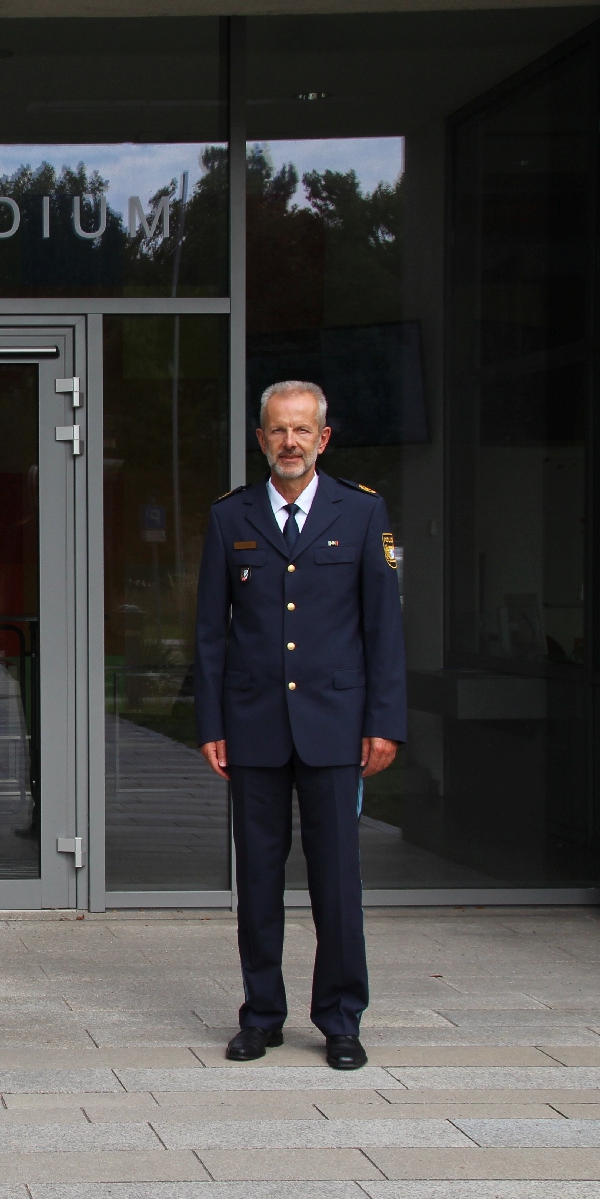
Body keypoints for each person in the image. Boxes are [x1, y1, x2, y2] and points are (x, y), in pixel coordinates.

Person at [193, 380, 406, 1071]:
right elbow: (210, 634)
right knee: (256, 880)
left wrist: (384, 722)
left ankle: (340, 1018)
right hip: (254, 726)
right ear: (260, 439)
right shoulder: (231, 517)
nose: (290, 442)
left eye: (301, 430)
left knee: (337, 883)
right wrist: (211, 722)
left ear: (323, 438)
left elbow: (384, 631)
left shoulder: (363, 513)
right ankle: (261, 1015)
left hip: (336, 727)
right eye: (277, 430)